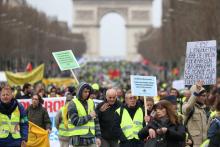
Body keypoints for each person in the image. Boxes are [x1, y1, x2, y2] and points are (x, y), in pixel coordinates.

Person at [68, 82, 101, 147]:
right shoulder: (72, 103)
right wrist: (89, 116)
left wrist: (98, 137)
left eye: (88, 92)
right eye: (85, 92)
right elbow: (75, 121)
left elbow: (96, 121)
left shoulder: (91, 102)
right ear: (80, 92)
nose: (87, 93)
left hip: (91, 138)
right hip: (78, 139)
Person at [182, 81, 208, 147]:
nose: (205, 98)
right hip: (192, 144)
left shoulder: (203, 109)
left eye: (206, 95)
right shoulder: (187, 106)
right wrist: (196, 91)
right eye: (203, 95)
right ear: (196, 96)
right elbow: (188, 107)